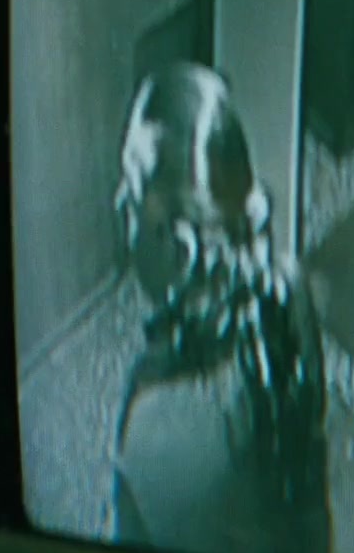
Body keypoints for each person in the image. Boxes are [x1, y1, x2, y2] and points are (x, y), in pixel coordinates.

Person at [109, 63, 331, 553]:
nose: (118, 200)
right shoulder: (289, 290)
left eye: (132, 183)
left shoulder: (152, 425)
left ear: (180, 247)